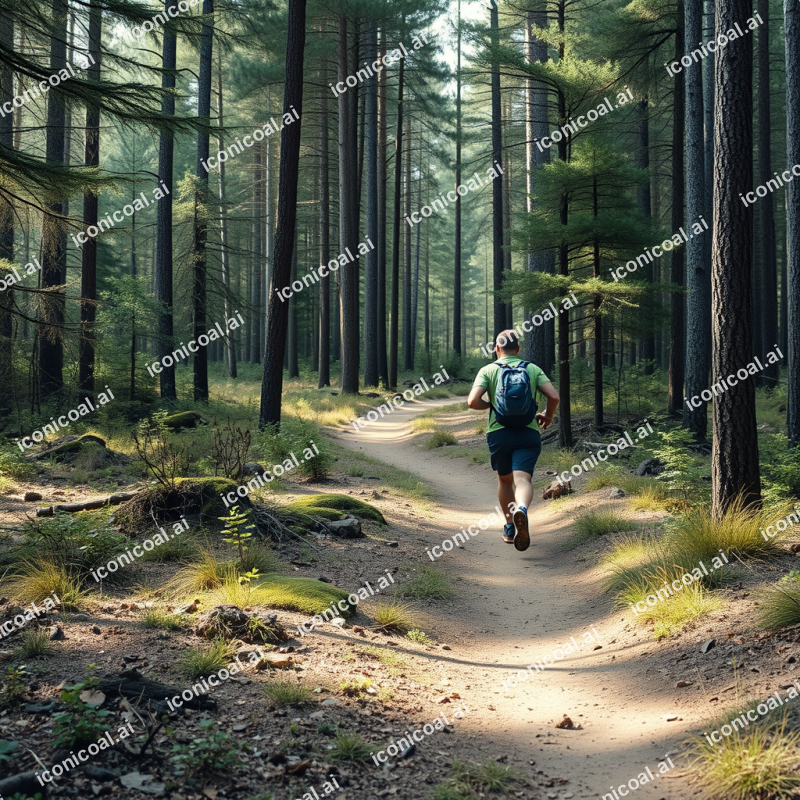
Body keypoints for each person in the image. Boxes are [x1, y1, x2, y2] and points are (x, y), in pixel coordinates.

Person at [467, 330, 559, 551]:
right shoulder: (531, 368)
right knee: (523, 480)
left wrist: (491, 405)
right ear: (518, 349)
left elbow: (472, 401)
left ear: (497, 349)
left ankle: (509, 526)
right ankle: (523, 511)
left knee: (505, 481)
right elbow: (554, 397)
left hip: (499, 433)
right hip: (528, 433)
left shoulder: (488, 370)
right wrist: (547, 415)